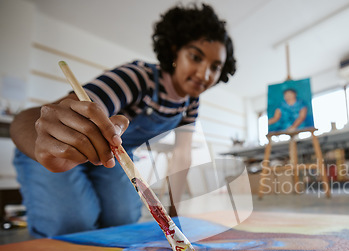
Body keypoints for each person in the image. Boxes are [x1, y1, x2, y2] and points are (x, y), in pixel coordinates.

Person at [10, 3, 236, 238]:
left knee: (122, 219)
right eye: (195, 57)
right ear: (174, 50)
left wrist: (173, 215)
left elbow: (181, 156)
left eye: (215, 67)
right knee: (73, 224)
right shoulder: (139, 78)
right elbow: (31, 119)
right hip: (56, 150)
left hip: (110, 158)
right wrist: (42, 142)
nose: (204, 74)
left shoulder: (190, 103)